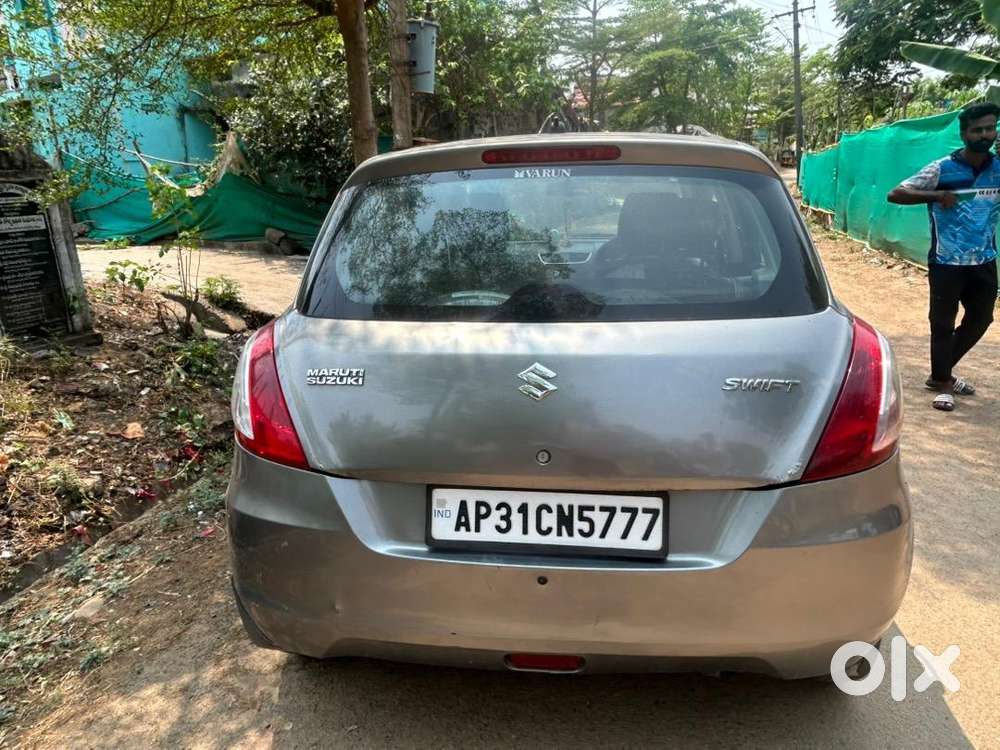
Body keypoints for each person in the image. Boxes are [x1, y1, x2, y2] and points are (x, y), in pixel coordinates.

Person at [888, 101, 1000, 412]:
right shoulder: (941, 168)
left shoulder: (998, 169)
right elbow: (896, 193)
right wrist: (936, 195)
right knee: (942, 323)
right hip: (946, 261)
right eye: (977, 130)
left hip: (984, 259)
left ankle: (940, 373)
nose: (984, 135)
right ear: (964, 134)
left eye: (989, 128)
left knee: (982, 318)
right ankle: (943, 381)